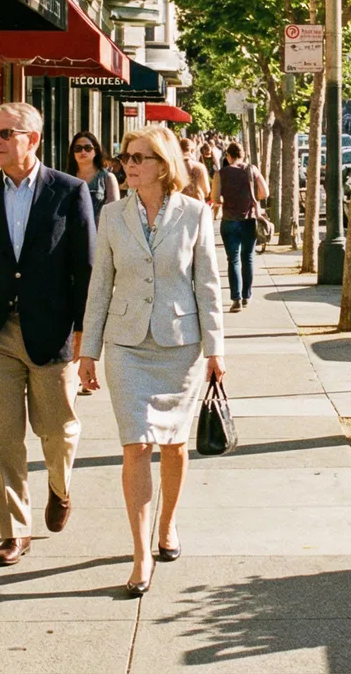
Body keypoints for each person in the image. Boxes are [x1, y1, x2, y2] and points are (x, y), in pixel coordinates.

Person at [80, 126, 225, 597]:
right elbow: (100, 284)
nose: (129, 164)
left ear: (163, 166)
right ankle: (141, 552)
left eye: (139, 157)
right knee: (135, 445)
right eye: (126, 157)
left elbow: (207, 284)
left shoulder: (195, 214)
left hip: (178, 343)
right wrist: (88, 351)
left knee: (174, 446)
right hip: (126, 345)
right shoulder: (111, 216)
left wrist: (215, 349)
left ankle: (168, 524)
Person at [0, 102, 97, 567]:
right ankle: (15, 530)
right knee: (2, 437)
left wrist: (82, 335)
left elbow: (86, 269)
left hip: (51, 333)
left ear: (32, 139)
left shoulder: (69, 191)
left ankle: (59, 486)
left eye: (6, 133)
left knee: (56, 430)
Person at [66, 130, 117, 396]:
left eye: (87, 147)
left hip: (97, 255)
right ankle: (71, 368)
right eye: (77, 148)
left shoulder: (106, 179)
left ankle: (85, 371)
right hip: (68, 255)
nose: (83, 152)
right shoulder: (64, 180)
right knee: (72, 312)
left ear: (96, 150)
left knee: (91, 313)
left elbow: (114, 217)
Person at [209, 142, 268, 312]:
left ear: (228, 156)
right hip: (249, 220)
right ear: (243, 155)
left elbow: (215, 198)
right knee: (248, 258)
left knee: (233, 259)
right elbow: (265, 193)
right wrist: (251, 199)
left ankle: (236, 299)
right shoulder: (252, 169)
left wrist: (225, 199)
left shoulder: (221, 173)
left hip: (229, 220)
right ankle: (247, 296)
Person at [176, 136, 211, 201]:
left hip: (179, 206)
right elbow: (206, 192)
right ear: (192, 151)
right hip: (197, 205)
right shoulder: (200, 167)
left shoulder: (174, 167)